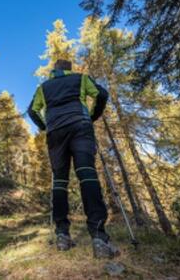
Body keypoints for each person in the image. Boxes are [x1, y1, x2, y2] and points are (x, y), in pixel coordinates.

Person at [28, 59, 119, 258]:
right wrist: (94, 115)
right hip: (80, 126)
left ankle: (62, 235)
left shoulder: (44, 87)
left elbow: (32, 111)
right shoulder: (81, 78)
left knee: (59, 181)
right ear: (69, 70)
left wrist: (45, 127)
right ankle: (98, 236)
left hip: (55, 133)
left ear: (54, 71)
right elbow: (102, 94)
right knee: (87, 174)